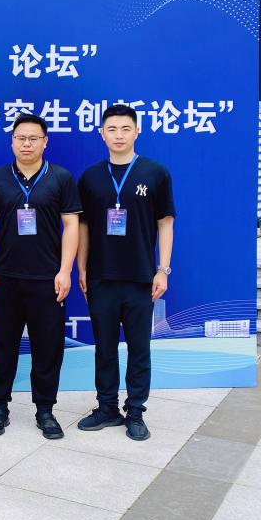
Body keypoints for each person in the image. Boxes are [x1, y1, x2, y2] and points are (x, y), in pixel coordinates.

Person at [76, 103, 175, 442]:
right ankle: (107, 408)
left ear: (137, 132)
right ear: (102, 134)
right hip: (101, 276)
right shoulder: (90, 177)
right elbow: (83, 227)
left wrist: (162, 270)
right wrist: (82, 267)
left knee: (139, 349)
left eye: (125, 129)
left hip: (140, 277)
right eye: (112, 129)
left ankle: (135, 411)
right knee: (104, 348)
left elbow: (165, 223)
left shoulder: (155, 173)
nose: (118, 135)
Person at [0, 114, 81, 439]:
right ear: (12, 141)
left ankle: (45, 410)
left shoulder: (61, 178)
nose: (27, 144)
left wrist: (65, 270)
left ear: (45, 142)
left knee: (48, 348)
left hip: (48, 279)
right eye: (21, 138)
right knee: (3, 346)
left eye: (33, 138)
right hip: (6, 277)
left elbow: (71, 225)